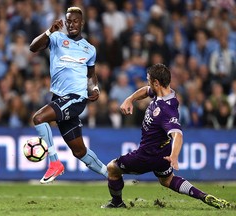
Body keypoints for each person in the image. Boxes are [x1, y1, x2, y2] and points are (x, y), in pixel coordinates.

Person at [101, 63, 231, 209]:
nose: (147, 82)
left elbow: (178, 135)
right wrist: (130, 99)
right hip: (163, 153)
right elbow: (145, 90)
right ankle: (203, 196)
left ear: (156, 83)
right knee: (167, 180)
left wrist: (174, 156)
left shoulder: (167, 110)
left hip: (147, 155)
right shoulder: (165, 92)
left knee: (112, 168)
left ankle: (117, 203)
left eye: (149, 79)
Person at [29, 6, 108, 184]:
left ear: (82, 23)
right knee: (79, 151)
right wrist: (49, 31)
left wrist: (95, 89)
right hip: (59, 98)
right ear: (65, 23)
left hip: (76, 97)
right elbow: (33, 48)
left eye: (75, 21)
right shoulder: (56, 38)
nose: (72, 24)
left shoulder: (89, 49)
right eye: (69, 21)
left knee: (39, 118)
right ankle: (111, 175)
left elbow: (91, 75)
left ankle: (54, 163)